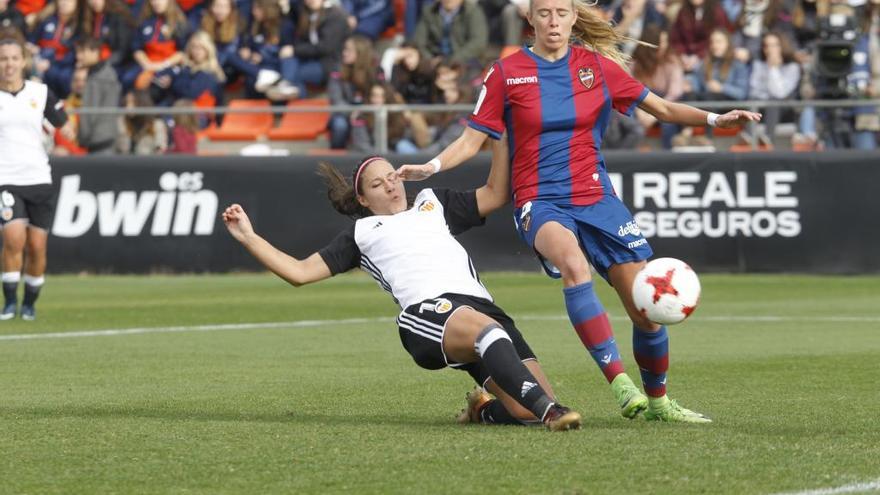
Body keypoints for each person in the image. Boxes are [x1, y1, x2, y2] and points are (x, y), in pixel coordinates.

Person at [398, 0, 762, 423]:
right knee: (574, 266)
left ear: (574, 18)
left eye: (562, 13)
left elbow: (661, 109)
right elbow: (471, 139)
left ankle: (660, 402)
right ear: (530, 19)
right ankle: (620, 384)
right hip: (540, 198)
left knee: (643, 307)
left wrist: (718, 119)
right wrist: (432, 166)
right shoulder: (505, 73)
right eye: (545, 13)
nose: (553, 21)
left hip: (596, 198)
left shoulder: (596, 67)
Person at [222, 151, 583, 431]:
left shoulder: (433, 203)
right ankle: (552, 412)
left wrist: (499, 133)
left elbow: (497, 193)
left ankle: (484, 410)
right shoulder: (362, 233)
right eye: (377, 185)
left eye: (392, 176)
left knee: (524, 410)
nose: (391, 185)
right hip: (427, 313)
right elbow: (299, 272)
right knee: (504, 354)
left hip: (480, 308)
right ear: (363, 200)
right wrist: (249, 238)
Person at [0, 36, 74, 320]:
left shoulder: (40, 93)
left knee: (37, 246)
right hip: (5, 177)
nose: (9, 64)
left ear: (23, 61)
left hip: (38, 177)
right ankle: (9, 301)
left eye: (13, 58)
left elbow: (63, 122)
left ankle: (29, 302)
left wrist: (66, 130)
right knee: (13, 237)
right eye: (4, 58)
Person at [75, 36, 122, 154]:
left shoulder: (102, 78)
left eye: (82, 52)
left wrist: (84, 137)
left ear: (95, 52)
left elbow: (91, 112)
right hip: (98, 141)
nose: (78, 56)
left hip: (100, 143)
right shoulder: (98, 75)